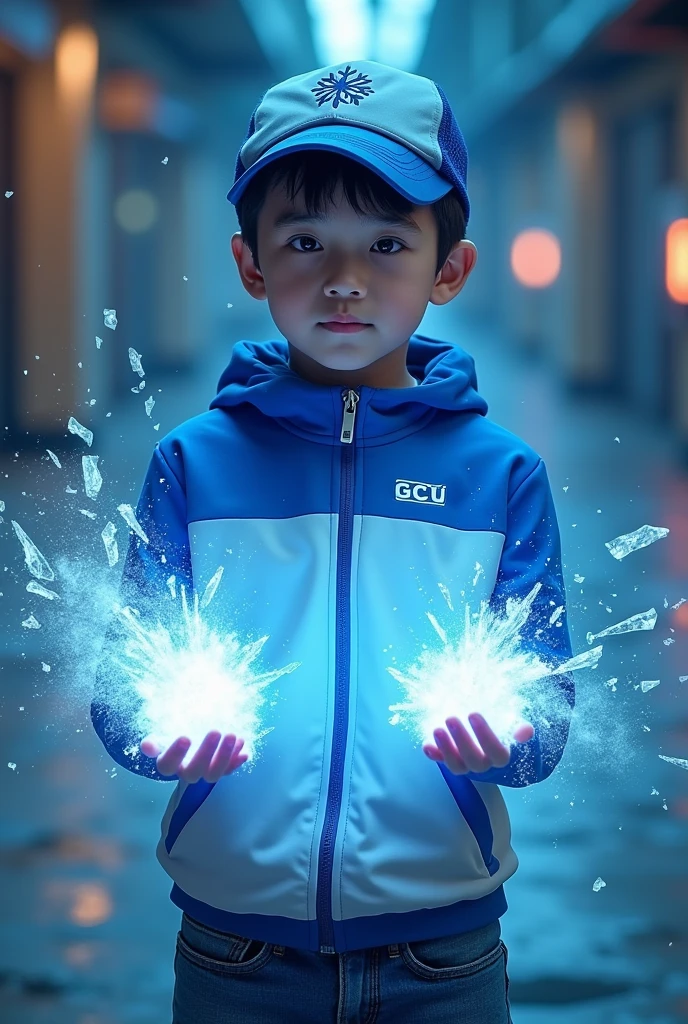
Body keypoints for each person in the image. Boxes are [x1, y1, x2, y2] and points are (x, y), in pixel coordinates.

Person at [91, 59, 575, 1024]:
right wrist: (159, 733)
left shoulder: (502, 473)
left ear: (450, 268)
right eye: (305, 241)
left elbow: (547, 705)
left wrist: (506, 741)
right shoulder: (195, 464)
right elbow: (120, 690)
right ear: (250, 262)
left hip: (446, 951)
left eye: (387, 243)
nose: (344, 282)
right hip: (237, 950)